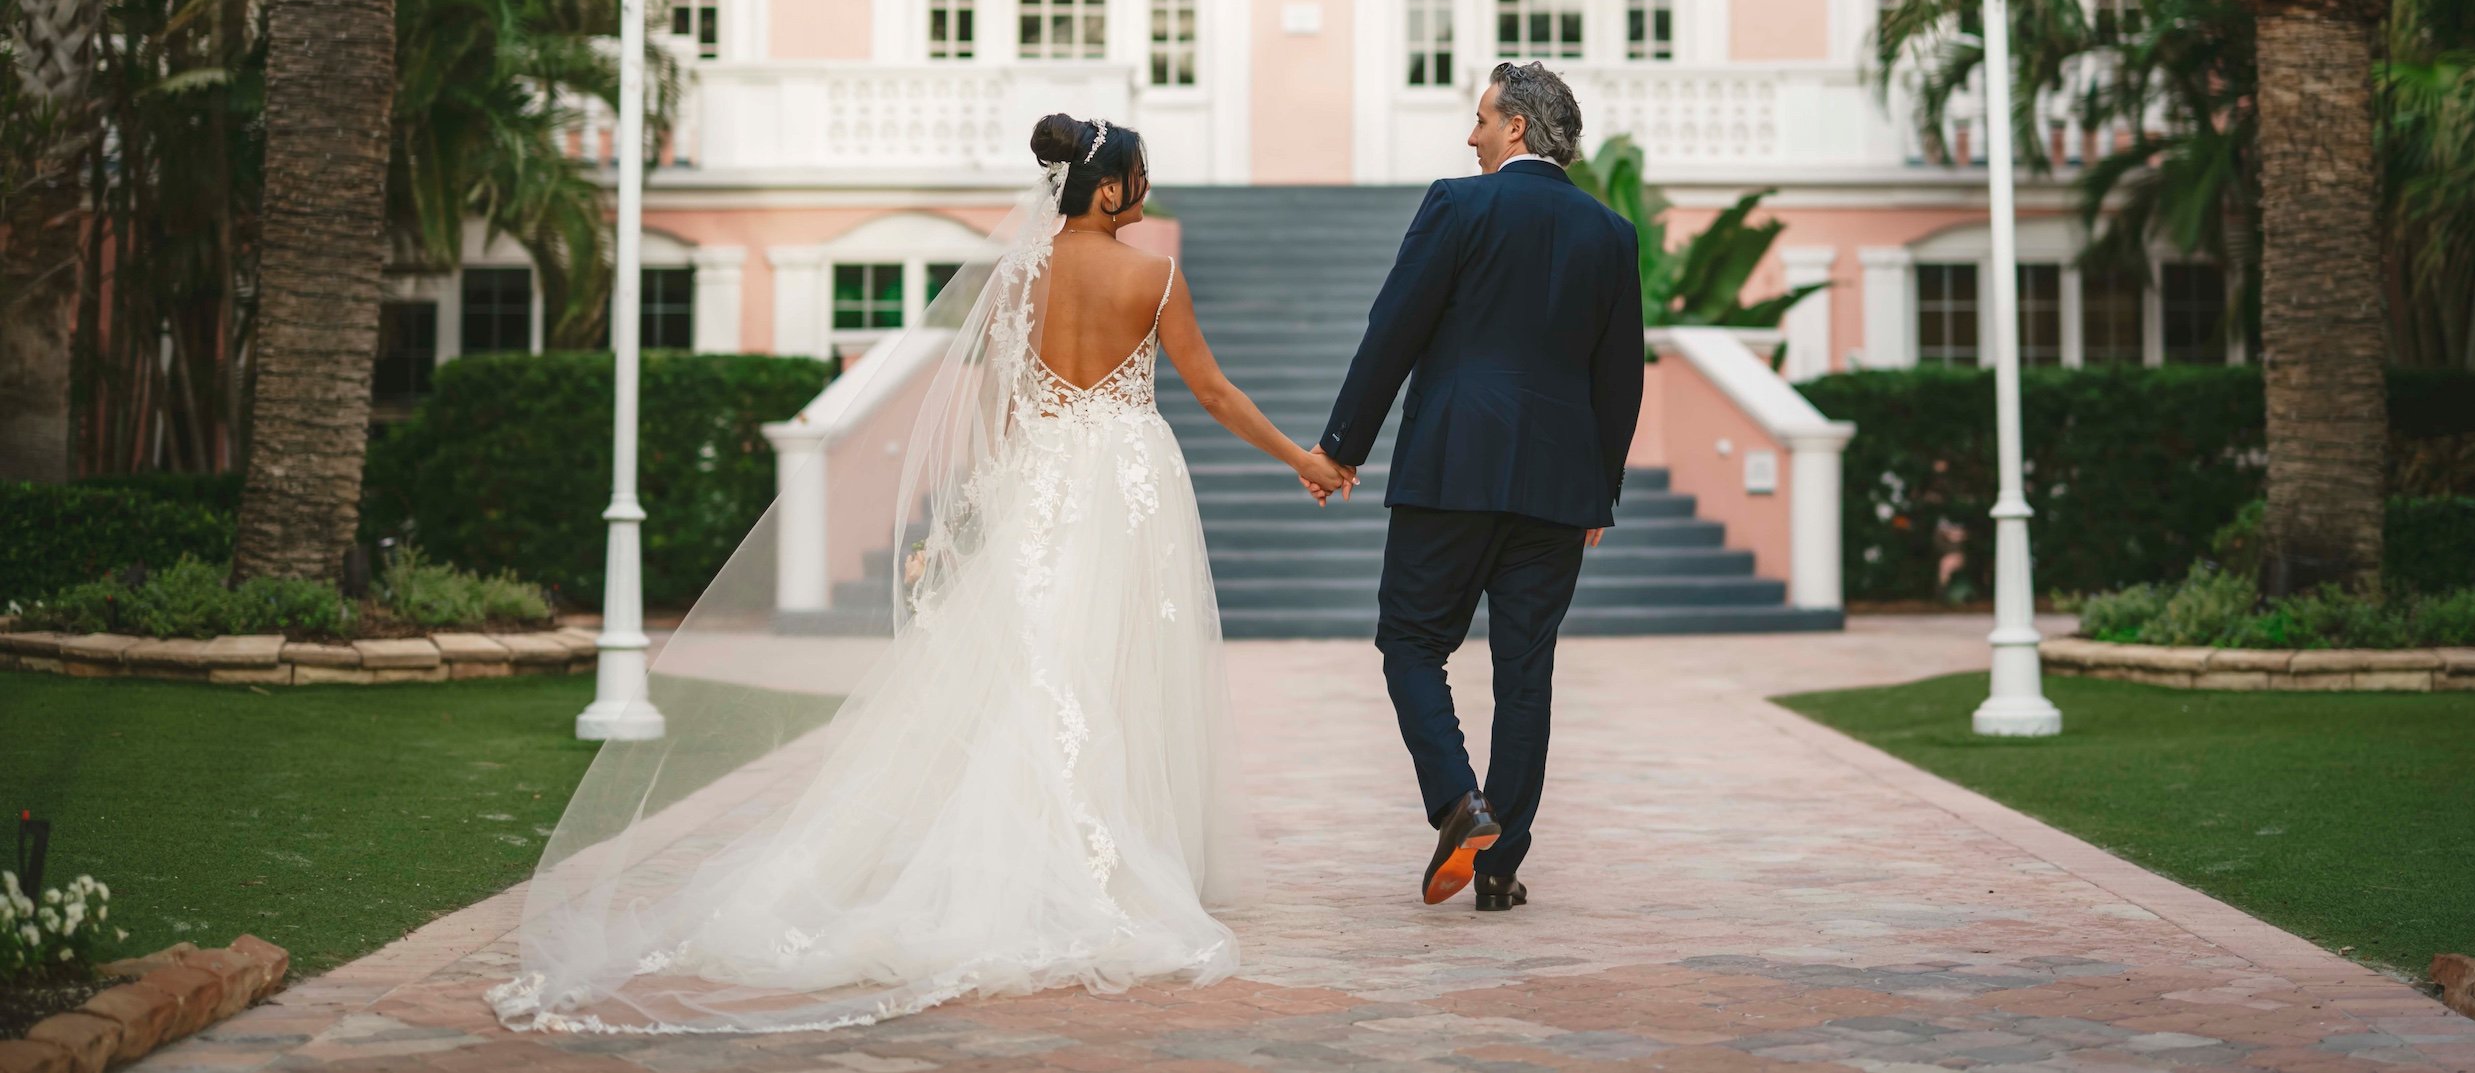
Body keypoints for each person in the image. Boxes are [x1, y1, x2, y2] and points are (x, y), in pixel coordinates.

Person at [489, 115, 1348, 1035]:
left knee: (1030, 665)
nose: (1144, 188)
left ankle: (1041, 852)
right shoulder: (1154, 275)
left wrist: (958, 521)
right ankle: (1102, 861)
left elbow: (1000, 407)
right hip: (1126, 490)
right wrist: (1303, 456)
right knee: (1113, 662)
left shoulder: (1019, 274)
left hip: (1042, 481)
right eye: (1138, 176)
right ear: (1107, 190)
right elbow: (1212, 391)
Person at [1310, 62, 1645, 911]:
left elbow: (1394, 329)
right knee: (1526, 672)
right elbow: (1620, 376)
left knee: (1411, 639)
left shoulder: (1458, 204)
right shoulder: (1611, 233)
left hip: (1453, 465)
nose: (1471, 136)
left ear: (1519, 129)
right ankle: (1499, 866)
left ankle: (1462, 803)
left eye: (1482, 119)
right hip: (1560, 484)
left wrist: (1344, 442)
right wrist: (1600, 488)